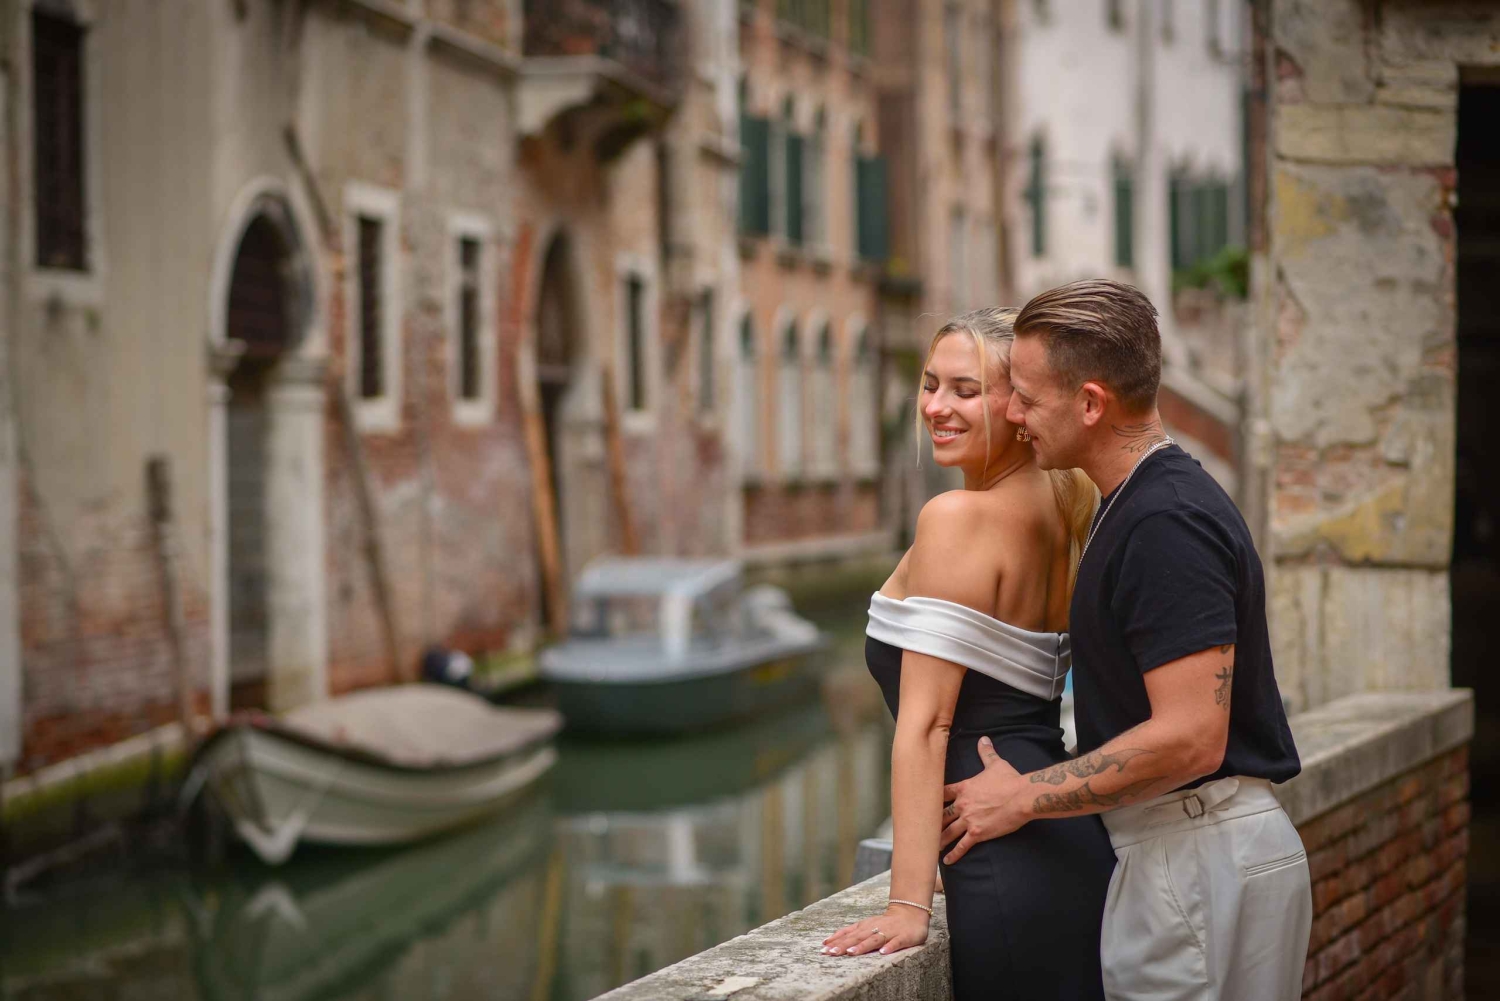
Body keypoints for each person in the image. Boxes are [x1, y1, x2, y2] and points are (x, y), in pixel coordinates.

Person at [940, 280, 1310, 1001]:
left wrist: (1023, 796)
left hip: (1193, 856)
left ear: (1089, 403)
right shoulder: (1141, 502)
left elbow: (1191, 738)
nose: (1013, 415)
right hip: (1193, 853)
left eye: (1026, 395)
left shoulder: (1163, 521)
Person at [821, 307, 1117, 1001]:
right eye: (930, 384)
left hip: (998, 863)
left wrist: (907, 902)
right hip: (1061, 844)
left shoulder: (956, 519)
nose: (936, 407)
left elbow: (927, 724)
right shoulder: (1057, 504)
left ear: (1017, 405)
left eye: (965, 389)